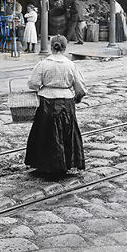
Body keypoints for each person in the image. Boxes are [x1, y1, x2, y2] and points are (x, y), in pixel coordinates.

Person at [25, 35, 86, 178]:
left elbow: (33, 83)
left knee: (45, 132)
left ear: (51, 47)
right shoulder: (71, 65)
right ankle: (66, 163)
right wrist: (77, 98)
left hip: (47, 102)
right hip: (67, 103)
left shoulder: (43, 64)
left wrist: (43, 86)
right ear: (65, 48)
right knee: (67, 133)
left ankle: (44, 165)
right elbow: (80, 88)